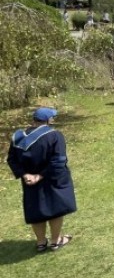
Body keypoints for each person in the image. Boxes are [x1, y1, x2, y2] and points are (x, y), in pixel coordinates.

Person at [7, 107, 77, 252]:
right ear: (48, 120)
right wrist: (40, 175)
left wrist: (24, 174)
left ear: (34, 120)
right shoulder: (54, 136)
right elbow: (58, 160)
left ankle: (40, 242)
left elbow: (12, 159)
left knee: (36, 209)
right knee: (55, 209)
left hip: (29, 181)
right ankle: (55, 240)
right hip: (52, 178)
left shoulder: (18, 136)